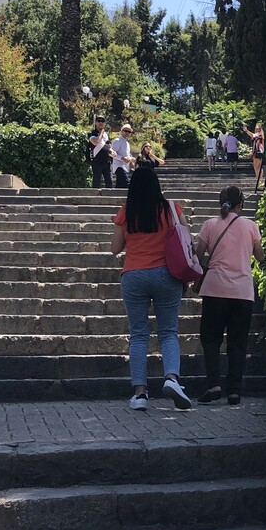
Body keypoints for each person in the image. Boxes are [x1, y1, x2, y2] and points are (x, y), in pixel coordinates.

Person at [110, 167, 192, 412]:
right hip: (167, 274)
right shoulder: (171, 208)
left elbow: (115, 248)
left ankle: (140, 394)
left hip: (134, 275)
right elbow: (187, 237)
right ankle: (172, 379)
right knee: (168, 332)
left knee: (138, 335)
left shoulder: (127, 212)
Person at [194, 184, 265, 406]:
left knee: (210, 339)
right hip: (242, 292)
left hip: (214, 290)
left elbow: (198, 255)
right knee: (238, 342)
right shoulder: (250, 225)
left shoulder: (209, 225)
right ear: (241, 203)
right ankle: (234, 391)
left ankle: (213, 383)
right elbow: (260, 257)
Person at [87, 115, 113, 189]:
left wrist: (111, 150)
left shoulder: (106, 135)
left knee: (109, 182)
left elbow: (109, 145)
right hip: (97, 161)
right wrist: (101, 133)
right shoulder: (92, 133)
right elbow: (95, 142)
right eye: (99, 121)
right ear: (95, 122)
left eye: (102, 121)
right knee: (96, 182)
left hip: (107, 161)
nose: (101, 122)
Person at [109, 123, 135, 188]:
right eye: (125, 131)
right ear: (122, 131)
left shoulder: (127, 143)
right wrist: (122, 158)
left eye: (129, 131)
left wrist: (131, 159)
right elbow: (111, 153)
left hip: (125, 167)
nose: (127, 133)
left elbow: (126, 155)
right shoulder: (118, 140)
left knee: (119, 186)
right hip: (118, 166)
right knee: (127, 184)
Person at [243, 122, 265, 187]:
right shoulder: (260, 136)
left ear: (259, 129)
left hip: (258, 152)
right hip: (259, 152)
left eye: (257, 128)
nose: (255, 129)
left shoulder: (259, 135)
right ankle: (260, 181)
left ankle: (259, 181)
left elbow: (252, 135)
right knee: (259, 167)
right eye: (255, 128)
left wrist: (246, 131)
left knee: (256, 167)